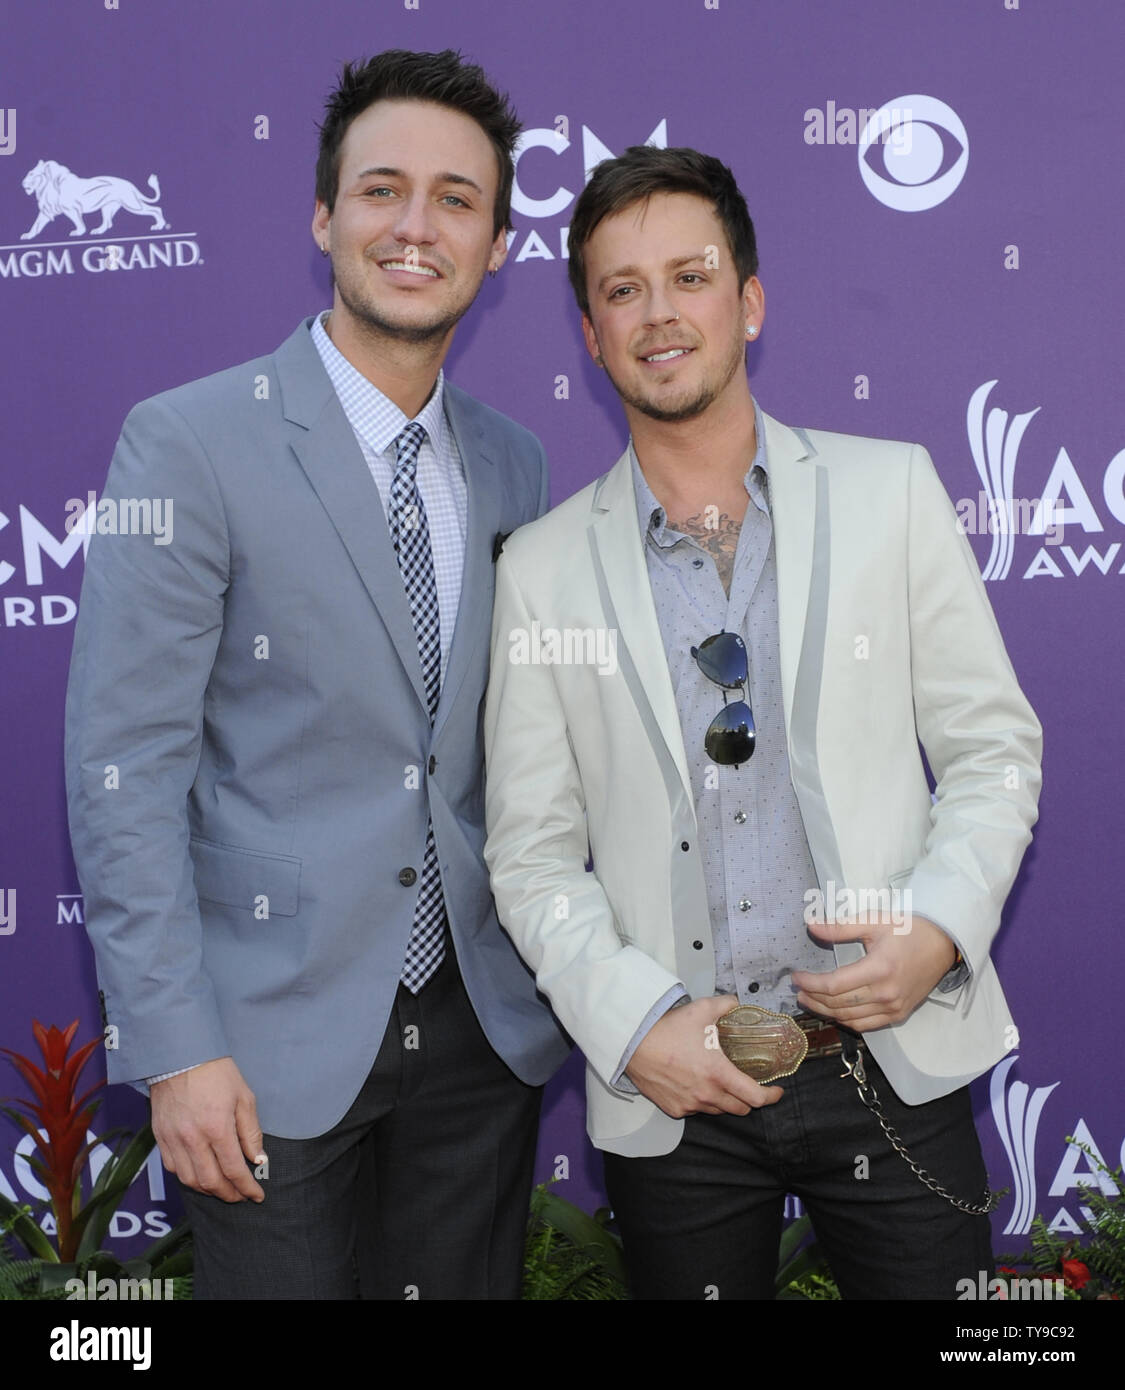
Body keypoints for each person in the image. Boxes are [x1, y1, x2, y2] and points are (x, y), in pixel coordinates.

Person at [483, 145, 1042, 1300]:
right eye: (620, 289)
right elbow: (532, 852)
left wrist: (935, 929)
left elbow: (993, 750)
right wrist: (638, 1025)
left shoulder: (890, 492)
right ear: (589, 335)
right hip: (682, 1090)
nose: (657, 313)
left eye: (689, 277)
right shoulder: (539, 572)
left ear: (749, 300)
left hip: (891, 1065)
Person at [65, 48, 569, 1301]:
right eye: (382, 188)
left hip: (477, 1030)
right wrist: (175, 1050)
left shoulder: (517, 465)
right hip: (264, 1035)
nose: (416, 226)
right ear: (323, 216)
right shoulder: (189, 440)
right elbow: (124, 769)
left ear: (499, 243)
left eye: (457, 199)